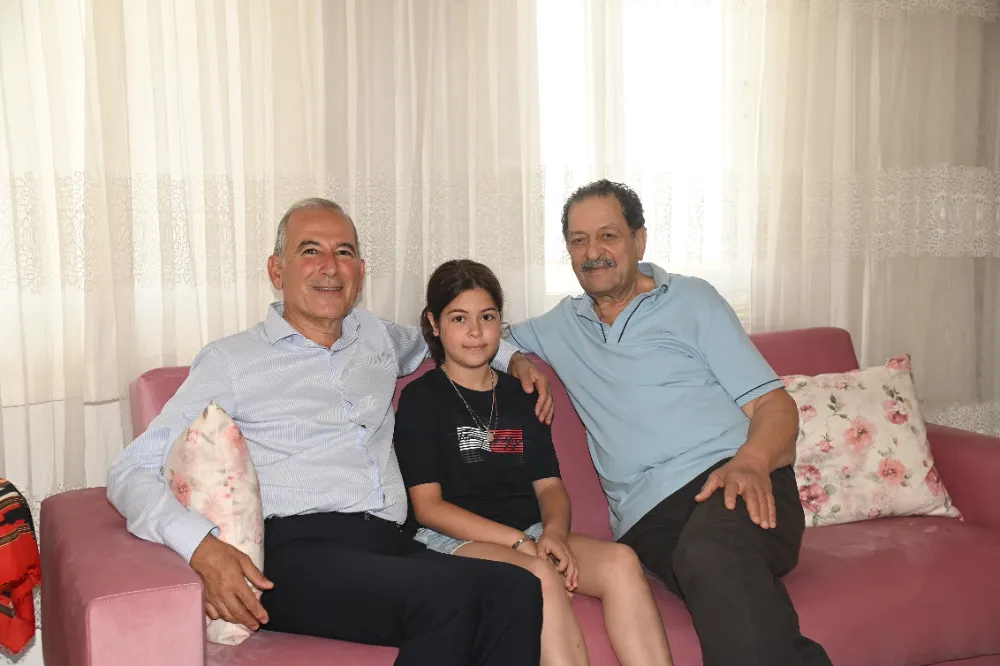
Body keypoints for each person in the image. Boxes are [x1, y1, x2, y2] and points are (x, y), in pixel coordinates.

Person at [107, 198, 556, 665]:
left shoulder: (377, 338)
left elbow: (451, 334)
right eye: (310, 251)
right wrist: (201, 546)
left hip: (391, 545)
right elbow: (130, 470)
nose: (329, 267)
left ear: (360, 272)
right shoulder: (231, 361)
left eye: (343, 252)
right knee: (449, 596)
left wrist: (514, 359)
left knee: (518, 588)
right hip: (298, 552)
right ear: (276, 270)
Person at [503, 180, 834, 666]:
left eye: (608, 236)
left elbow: (775, 405)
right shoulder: (560, 325)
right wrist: (515, 360)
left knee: (713, 550)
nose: (592, 252)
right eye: (578, 241)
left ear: (639, 240)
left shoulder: (693, 300)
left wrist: (751, 462)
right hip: (648, 518)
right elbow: (479, 333)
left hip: (736, 478)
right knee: (709, 563)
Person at [393, 259, 673, 666]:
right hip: (452, 541)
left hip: (531, 532)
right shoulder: (421, 399)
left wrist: (554, 535)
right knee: (536, 574)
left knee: (621, 561)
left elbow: (550, 485)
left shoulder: (522, 394)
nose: (475, 331)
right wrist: (519, 543)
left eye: (487, 316)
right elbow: (428, 508)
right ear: (434, 324)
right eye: (459, 318)